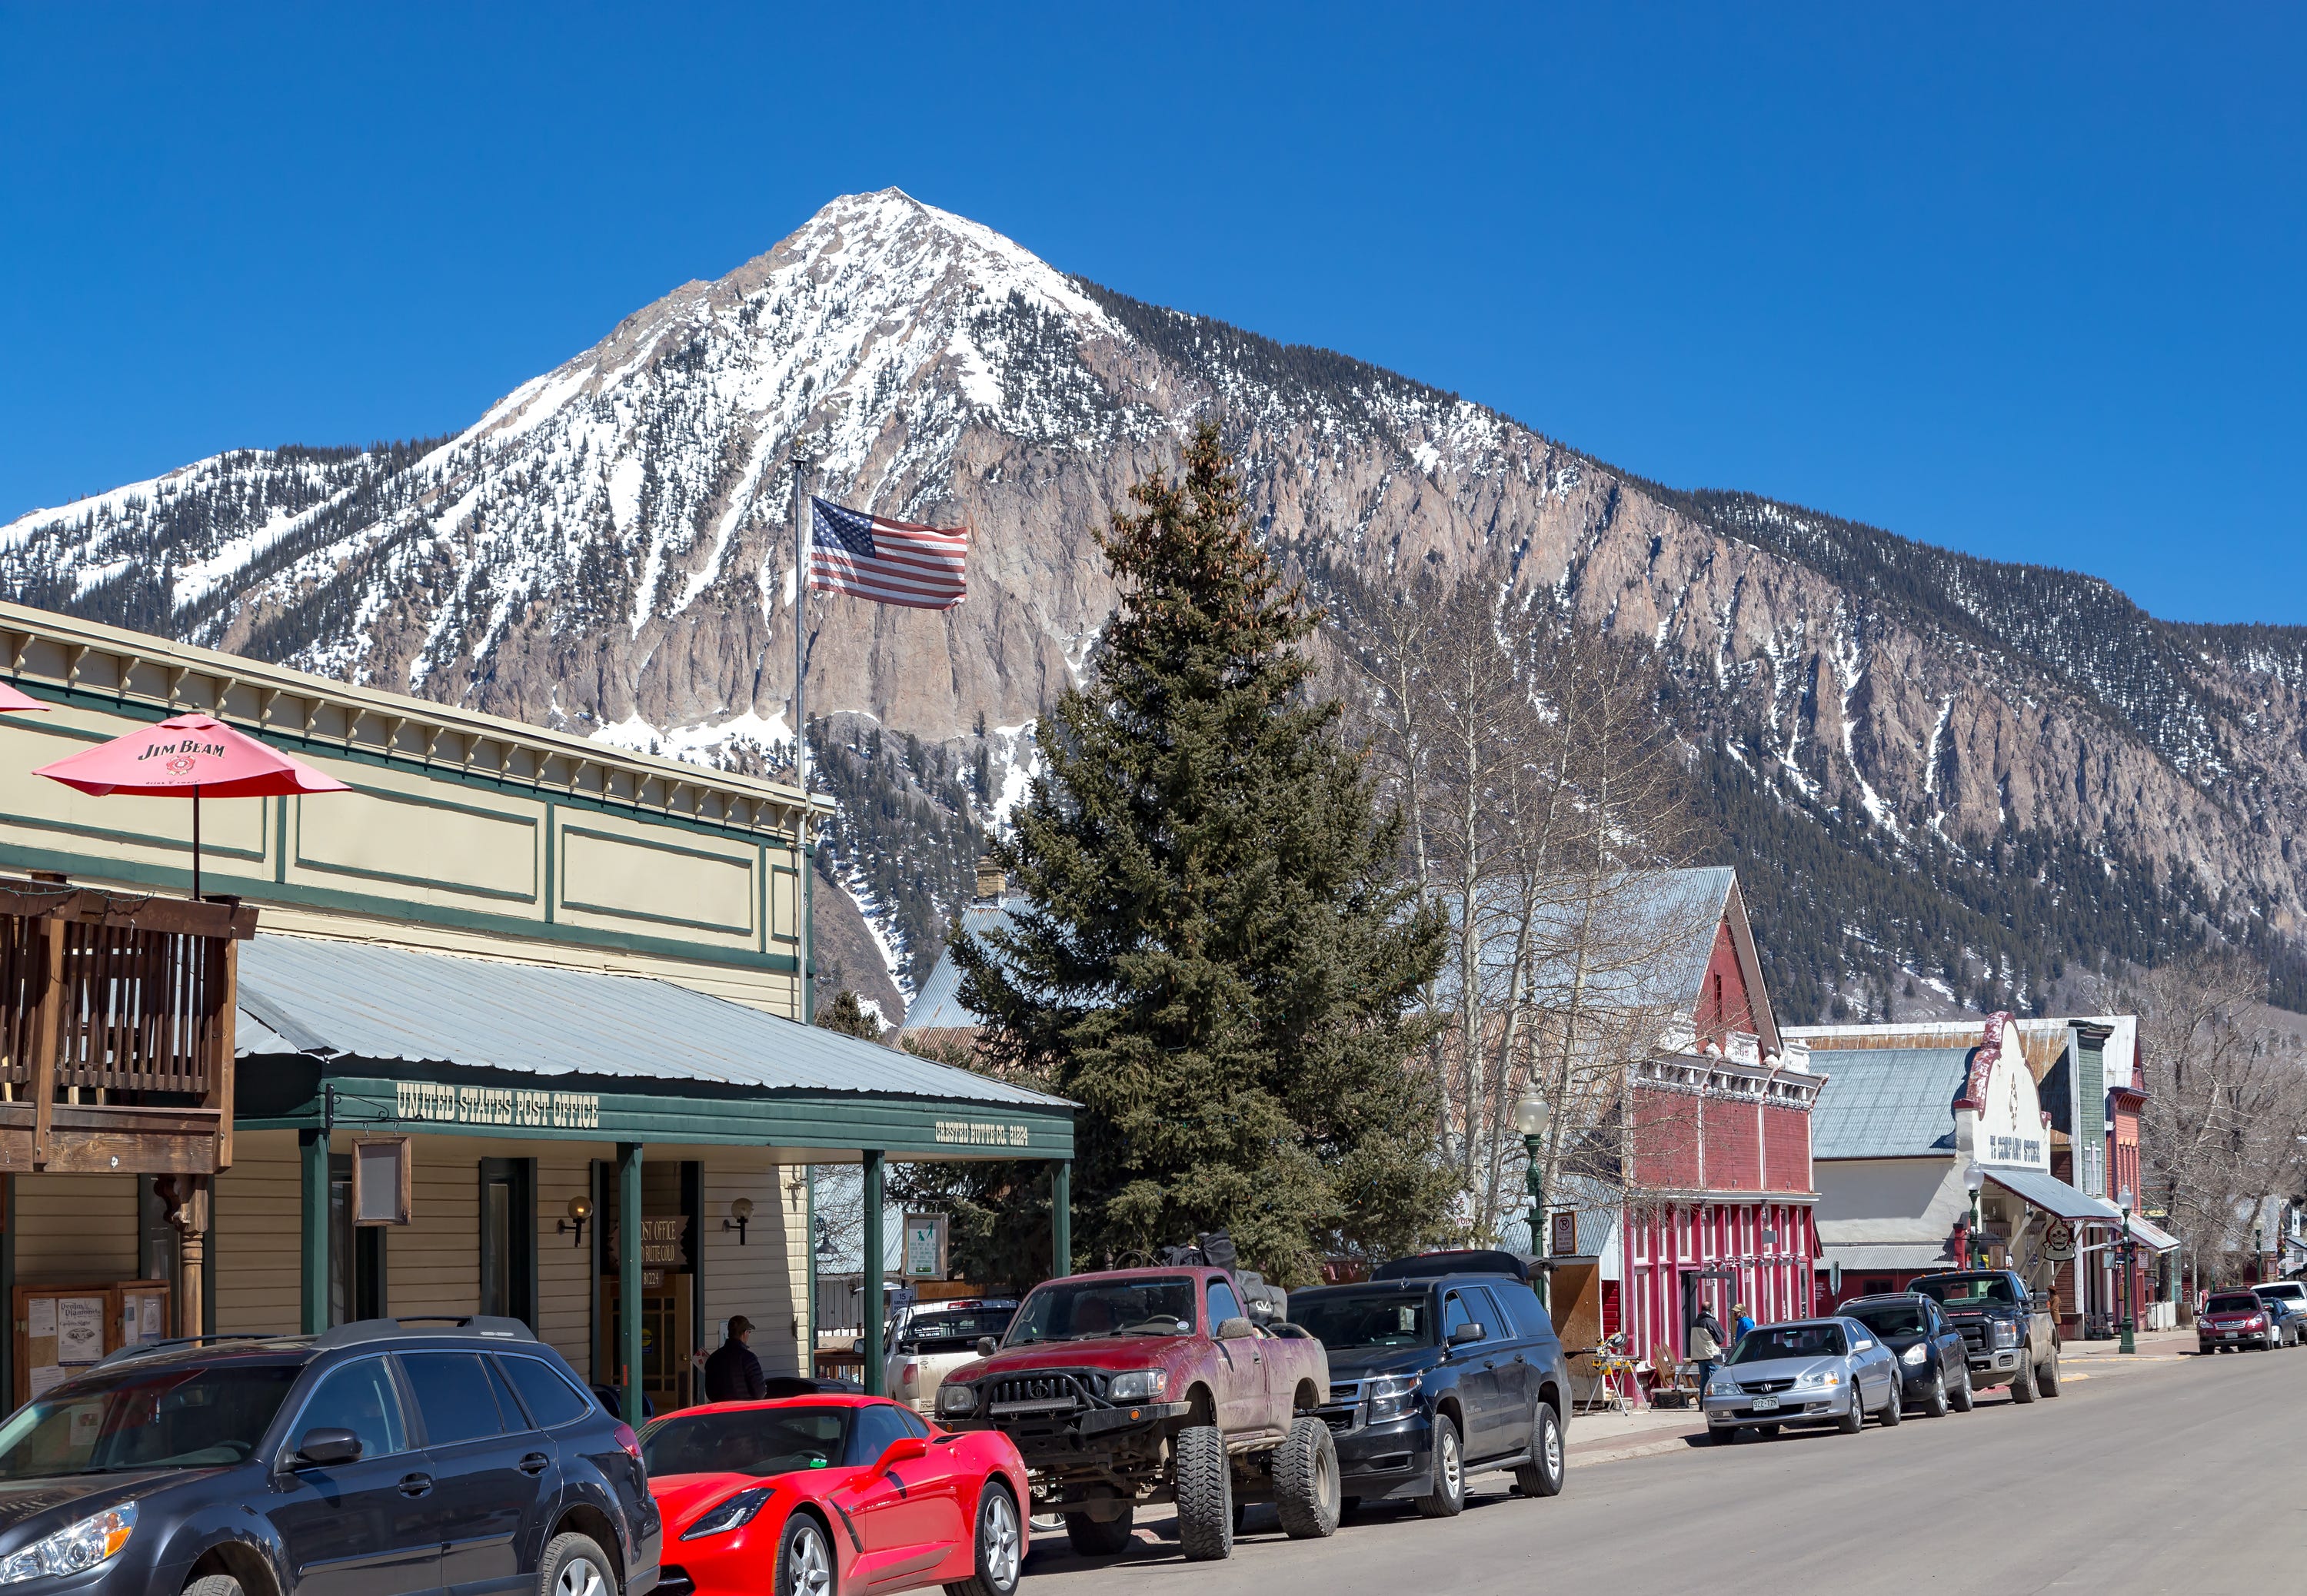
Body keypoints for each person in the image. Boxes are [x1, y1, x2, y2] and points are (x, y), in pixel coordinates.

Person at [702, 1315, 766, 1403]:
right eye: (749, 1332)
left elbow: (710, 1393)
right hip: (744, 1411)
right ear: (745, 1333)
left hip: (720, 1412)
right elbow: (760, 1393)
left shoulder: (714, 1358)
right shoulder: (749, 1358)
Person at [1689, 1306, 1726, 1398]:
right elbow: (1720, 1338)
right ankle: (1718, 1400)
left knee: (1703, 1380)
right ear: (1711, 1310)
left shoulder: (1695, 1322)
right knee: (1716, 1378)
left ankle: (1702, 1403)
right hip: (1711, 1355)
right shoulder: (1710, 1322)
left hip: (1699, 1356)